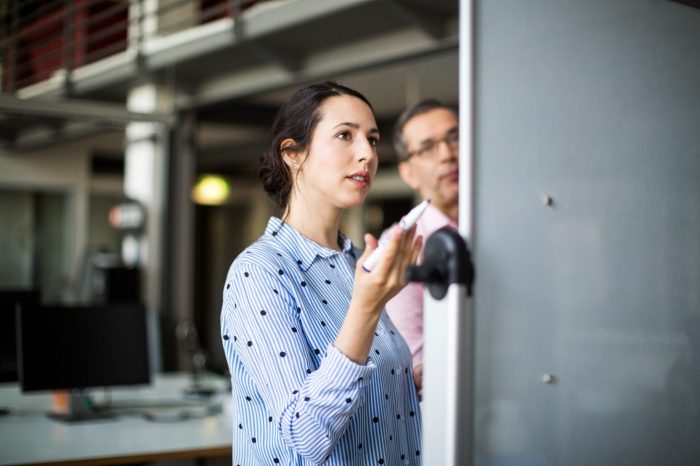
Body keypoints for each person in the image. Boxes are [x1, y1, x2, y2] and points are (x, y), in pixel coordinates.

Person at [220, 81, 424, 465]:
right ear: (292, 154)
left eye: (373, 140)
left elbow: (359, 392)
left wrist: (406, 384)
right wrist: (365, 309)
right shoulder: (259, 272)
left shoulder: (359, 263)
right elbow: (305, 437)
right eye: (345, 135)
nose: (367, 154)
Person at [384, 99, 459, 395]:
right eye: (427, 148)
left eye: (454, 138)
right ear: (408, 173)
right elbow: (418, 367)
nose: (447, 155)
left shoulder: (507, 225)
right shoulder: (401, 247)